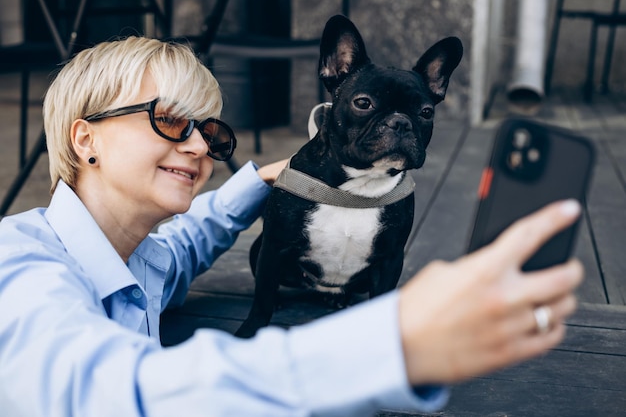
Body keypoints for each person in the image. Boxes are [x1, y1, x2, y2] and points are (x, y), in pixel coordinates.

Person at [0, 36, 583, 417]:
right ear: (85, 138)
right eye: (170, 120)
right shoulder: (20, 267)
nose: (201, 143)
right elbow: (109, 395)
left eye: (212, 132)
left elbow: (180, 250)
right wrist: (393, 341)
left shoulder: (132, 259)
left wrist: (263, 179)